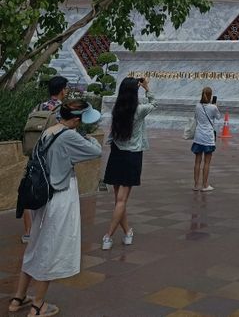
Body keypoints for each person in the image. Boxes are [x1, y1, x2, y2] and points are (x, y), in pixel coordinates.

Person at [10, 99, 102, 317]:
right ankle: (38, 306)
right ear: (77, 119)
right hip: (60, 196)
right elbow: (95, 151)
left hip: (42, 196)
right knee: (50, 249)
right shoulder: (69, 136)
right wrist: (88, 137)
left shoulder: (49, 131)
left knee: (35, 245)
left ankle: (18, 298)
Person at [102, 76, 155, 250]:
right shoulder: (138, 110)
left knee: (118, 199)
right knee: (121, 200)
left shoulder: (117, 109)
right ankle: (108, 236)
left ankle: (128, 232)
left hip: (117, 154)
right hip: (132, 155)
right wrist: (147, 88)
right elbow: (155, 103)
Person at [21, 76, 69, 245]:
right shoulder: (61, 110)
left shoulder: (38, 107)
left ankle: (27, 232)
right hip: (49, 159)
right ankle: (45, 232)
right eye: (66, 88)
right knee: (49, 193)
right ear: (62, 89)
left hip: (33, 155)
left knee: (29, 190)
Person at [191, 86, 222, 191]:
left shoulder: (197, 106)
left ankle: (196, 185)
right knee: (207, 162)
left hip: (198, 136)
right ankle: (205, 185)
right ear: (210, 96)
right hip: (208, 137)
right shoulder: (213, 107)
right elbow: (218, 117)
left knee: (197, 161)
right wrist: (215, 106)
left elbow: (196, 117)